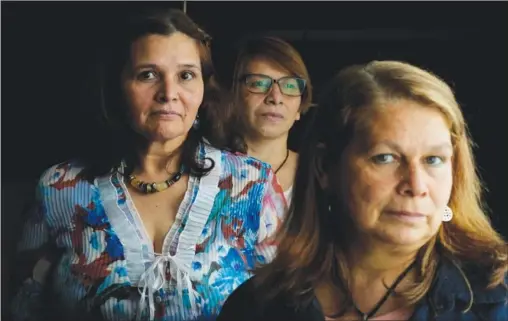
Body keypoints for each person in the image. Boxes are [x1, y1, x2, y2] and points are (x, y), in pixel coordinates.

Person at [11, 8, 286, 321]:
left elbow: (287, 304)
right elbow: (24, 306)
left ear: (203, 90)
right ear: (118, 87)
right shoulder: (60, 188)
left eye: (186, 75)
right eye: (148, 75)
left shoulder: (251, 184)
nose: (169, 94)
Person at [217, 60, 507, 321]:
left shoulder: (496, 301)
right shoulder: (258, 306)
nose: (416, 185)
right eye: (386, 158)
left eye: (433, 160)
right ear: (324, 168)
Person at [230, 36, 313, 204]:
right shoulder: (208, 168)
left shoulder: (314, 175)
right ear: (234, 96)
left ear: (299, 108)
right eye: (259, 84)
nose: (275, 97)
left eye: (289, 86)